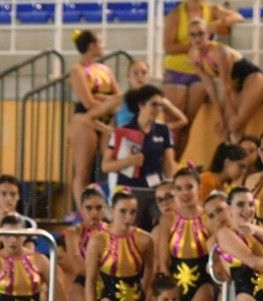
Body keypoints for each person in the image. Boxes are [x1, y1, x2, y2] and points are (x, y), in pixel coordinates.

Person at [161, 0, 242, 155]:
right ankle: (166, 162)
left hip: (199, 72)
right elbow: (168, 47)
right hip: (176, 71)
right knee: (172, 124)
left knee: (187, 123)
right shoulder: (176, 14)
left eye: (200, 33)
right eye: (193, 34)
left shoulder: (210, 10)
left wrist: (216, 24)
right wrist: (197, 43)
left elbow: (237, 17)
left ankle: (175, 164)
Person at [102, 84, 184, 231]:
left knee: (165, 225)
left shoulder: (163, 130)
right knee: (133, 231)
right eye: (154, 104)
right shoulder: (124, 131)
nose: (158, 109)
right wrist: (128, 161)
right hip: (130, 189)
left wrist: (173, 184)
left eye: (160, 105)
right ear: (141, 105)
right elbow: (106, 166)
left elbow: (169, 162)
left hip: (155, 190)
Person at [156, 165, 213, 301]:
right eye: (179, 188)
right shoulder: (168, 219)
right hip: (174, 286)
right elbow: (163, 264)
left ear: (199, 187)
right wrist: (174, 299)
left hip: (202, 284)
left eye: (189, 187)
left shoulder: (208, 217)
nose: (184, 193)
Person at [190, 17, 263, 143]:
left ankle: (243, 157)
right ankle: (228, 158)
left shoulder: (219, 51)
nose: (197, 38)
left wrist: (231, 113)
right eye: (193, 35)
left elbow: (226, 85)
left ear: (208, 34)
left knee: (235, 124)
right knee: (222, 129)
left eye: (200, 34)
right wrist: (219, 115)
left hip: (253, 79)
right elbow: (210, 87)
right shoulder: (193, 56)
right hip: (235, 86)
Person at [67, 30, 119, 214]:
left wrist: (103, 100)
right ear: (91, 45)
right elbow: (88, 103)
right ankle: (83, 214)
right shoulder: (77, 70)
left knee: (112, 165)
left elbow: (119, 99)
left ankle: (109, 210)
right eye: (100, 41)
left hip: (105, 121)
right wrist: (107, 101)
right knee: (83, 171)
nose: (103, 45)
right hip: (84, 120)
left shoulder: (105, 70)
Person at [0, 175, 38, 261]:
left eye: (13, 194)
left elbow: (29, 256)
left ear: (19, 196)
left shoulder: (28, 223)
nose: (8, 198)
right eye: (3, 194)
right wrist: (0, 222)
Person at [114, 59, 150, 130]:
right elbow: (88, 118)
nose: (140, 76)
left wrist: (165, 129)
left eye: (144, 72)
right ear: (128, 77)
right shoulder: (119, 99)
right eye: (135, 73)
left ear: (149, 77)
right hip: (124, 137)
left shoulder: (156, 101)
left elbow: (178, 119)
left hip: (147, 139)